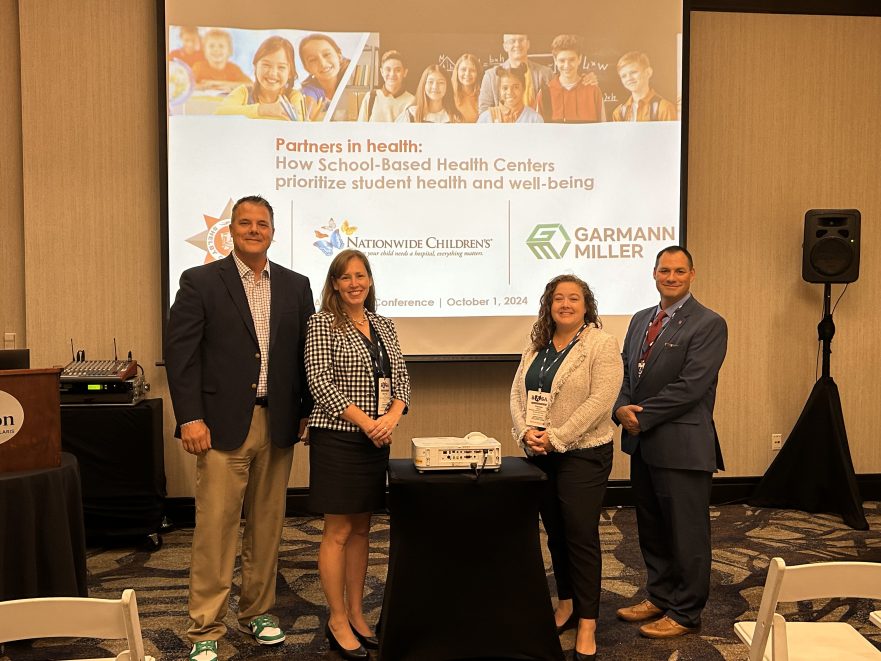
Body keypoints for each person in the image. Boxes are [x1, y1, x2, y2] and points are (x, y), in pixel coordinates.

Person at [165, 195, 315, 661]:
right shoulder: (201, 281)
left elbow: (305, 354)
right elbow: (181, 354)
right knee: (216, 528)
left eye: (263, 224)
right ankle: (205, 626)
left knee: (268, 525)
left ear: (273, 231)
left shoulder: (295, 285)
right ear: (230, 230)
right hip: (221, 423)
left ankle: (258, 613)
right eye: (245, 223)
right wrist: (189, 416)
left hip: (280, 421)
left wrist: (307, 408)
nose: (254, 230)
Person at [613, 246, 727, 639]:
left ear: (692, 274)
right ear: (655, 274)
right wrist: (619, 407)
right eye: (665, 271)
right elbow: (626, 373)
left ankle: (685, 611)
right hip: (644, 445)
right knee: (652, 528)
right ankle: (659, 595)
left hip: (683, 448)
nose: (671, 277)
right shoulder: (640, 319)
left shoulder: (709, 323)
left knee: (687, 535)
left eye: (680, 271)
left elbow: (691, 387)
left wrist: (638, 417)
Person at [305, 249, 411, 660]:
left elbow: (401, 377)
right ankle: (336, 617)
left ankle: (355, 612)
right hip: (339, 439)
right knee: (338, 532)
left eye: (361, 275)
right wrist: (368, 423)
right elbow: (320, 383)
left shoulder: (383, 324)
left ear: (370, 280)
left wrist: (393, 416)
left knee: (363, 530)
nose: (354, 283)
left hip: (377, 440)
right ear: (334, 284)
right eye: (345, 277)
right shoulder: (321, 324)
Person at [511, 275, 623, 661]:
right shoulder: (537, 343)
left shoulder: (601, 344)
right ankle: (567, 603)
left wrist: (557, 436)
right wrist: (525, 431)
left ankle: (588, 621)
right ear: (549, 304)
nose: (565, 304)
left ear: (586, 304)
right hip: (541, 453)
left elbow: (600, 401)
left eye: (573, 298)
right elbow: (517, 392)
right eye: (558, 298)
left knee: (580, 535)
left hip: (584, 453)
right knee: (555, 533)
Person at [215, 36, 306, 121]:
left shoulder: (294, 96)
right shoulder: (244, 92)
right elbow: (219, 113)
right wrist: (261, 110)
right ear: (255, 66)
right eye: (266, 65)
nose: (272, 73)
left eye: (281, 67)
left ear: (290, 73)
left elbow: (300, 121)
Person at [478, 34, 552, 114]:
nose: (517, 44)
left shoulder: (546, 74)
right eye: (512, 41)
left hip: (536, 124)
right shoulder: (491, 76)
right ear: (505, 46)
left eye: (521, 40)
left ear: (528, 44)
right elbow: (484, 111)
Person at [539, 35, 606, 123]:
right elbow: (538, 131)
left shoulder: (593, 91)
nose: (567, 65)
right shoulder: (545, 93)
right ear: (555, 60)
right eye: (562, 61)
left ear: (579, 59)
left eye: (572, 60)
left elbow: (603, 127)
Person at [611, 51, 677, 122]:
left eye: (633, 72)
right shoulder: (618, 113)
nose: (629, 78)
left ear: (648, 72)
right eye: (624, 76)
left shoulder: (664, 108)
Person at [299, 34, 351, 121]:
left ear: (339, 56)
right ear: (307, 68)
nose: (322, 64)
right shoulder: (309, 90)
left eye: (327, 54)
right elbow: (312, 118)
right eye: (312, 60)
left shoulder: (351, 77)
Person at [357, 50, 415, 122]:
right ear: (382, 72)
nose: (392, 74)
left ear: (405, 73)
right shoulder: (371, 97)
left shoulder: (412, 101)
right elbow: (360, 129)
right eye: (388, 69)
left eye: (398, 70)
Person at [396, 65, 461, 123]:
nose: (435, 87)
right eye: (430, 82)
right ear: (424, 85)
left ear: (447, 87)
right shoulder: (410, 115)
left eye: (441, 82)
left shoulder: (455, 118)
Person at [477, 65, 543, 123]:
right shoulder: (486, 118)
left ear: (523, 88)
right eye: (505, 88)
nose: (510, 92)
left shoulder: (534, 119)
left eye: (516, 87)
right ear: (499, 90)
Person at [451, 53, 482, 122]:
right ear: (457, 71)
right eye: (463, 69)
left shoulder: (483, 97)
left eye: (472, 70)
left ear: (478, 74)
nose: (467, 73)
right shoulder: (448, 95)